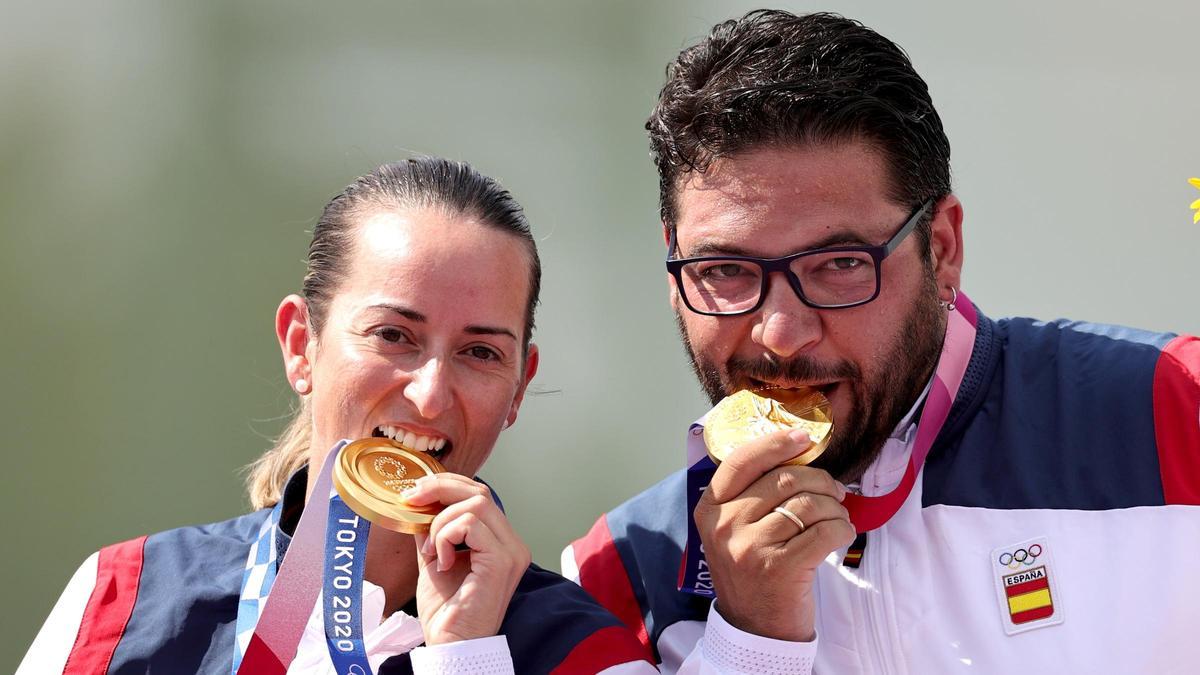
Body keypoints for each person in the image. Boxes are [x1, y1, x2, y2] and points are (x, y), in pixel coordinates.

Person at [564, 10, 1200, 674]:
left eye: (839, 263)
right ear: (673, 264)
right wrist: (752, 643)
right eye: (725, 270)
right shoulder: (615, 576)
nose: (780, 333)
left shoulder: (1177, 412)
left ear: (943, 248)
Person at [20, 158, 654, 674]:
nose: (431, 395)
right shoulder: (124, 601)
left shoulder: (590, 657)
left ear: (519, 388)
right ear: (302, 345)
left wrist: (464, 658)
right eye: (393, 335)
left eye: (480, 352)